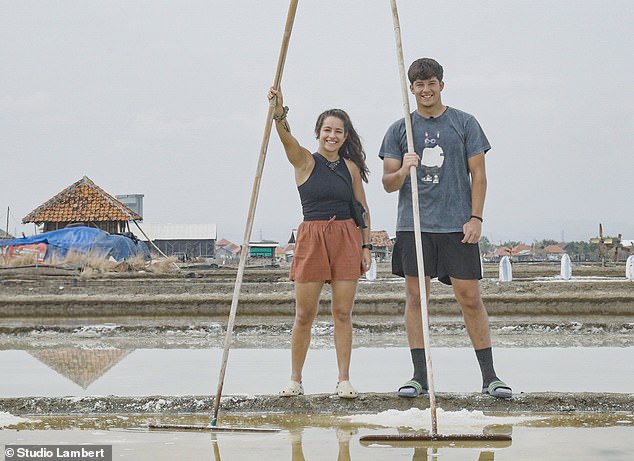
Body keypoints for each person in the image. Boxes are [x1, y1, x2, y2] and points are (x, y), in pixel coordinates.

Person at [379, 58, 512, 399]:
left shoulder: (464, 123)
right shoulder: (399, 130)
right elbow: (388, 184)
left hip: (457, 225)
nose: (426, 89)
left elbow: (479, 175)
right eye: (419, 85)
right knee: (415, 298)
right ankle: (419, 377)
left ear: (441, 85)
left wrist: (476, 218)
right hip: (414, 226)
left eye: (431, 83)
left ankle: (490, 377)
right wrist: (403, 168)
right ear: (411, 89)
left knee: (470, 298)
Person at [268, 87, 372, 399]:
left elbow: (362, 208)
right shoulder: (303, 161)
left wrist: (366, 246)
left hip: (345, 238)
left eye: (338, 131)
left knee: (342, 312)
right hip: (312, 237)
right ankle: (295, 380)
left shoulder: (351, 167)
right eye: (327, 130)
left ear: (345, 135)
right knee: (304, 314)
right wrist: (279, 111)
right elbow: (286, 139)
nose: (332, 136)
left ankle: (343, 379)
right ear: (318, 132)